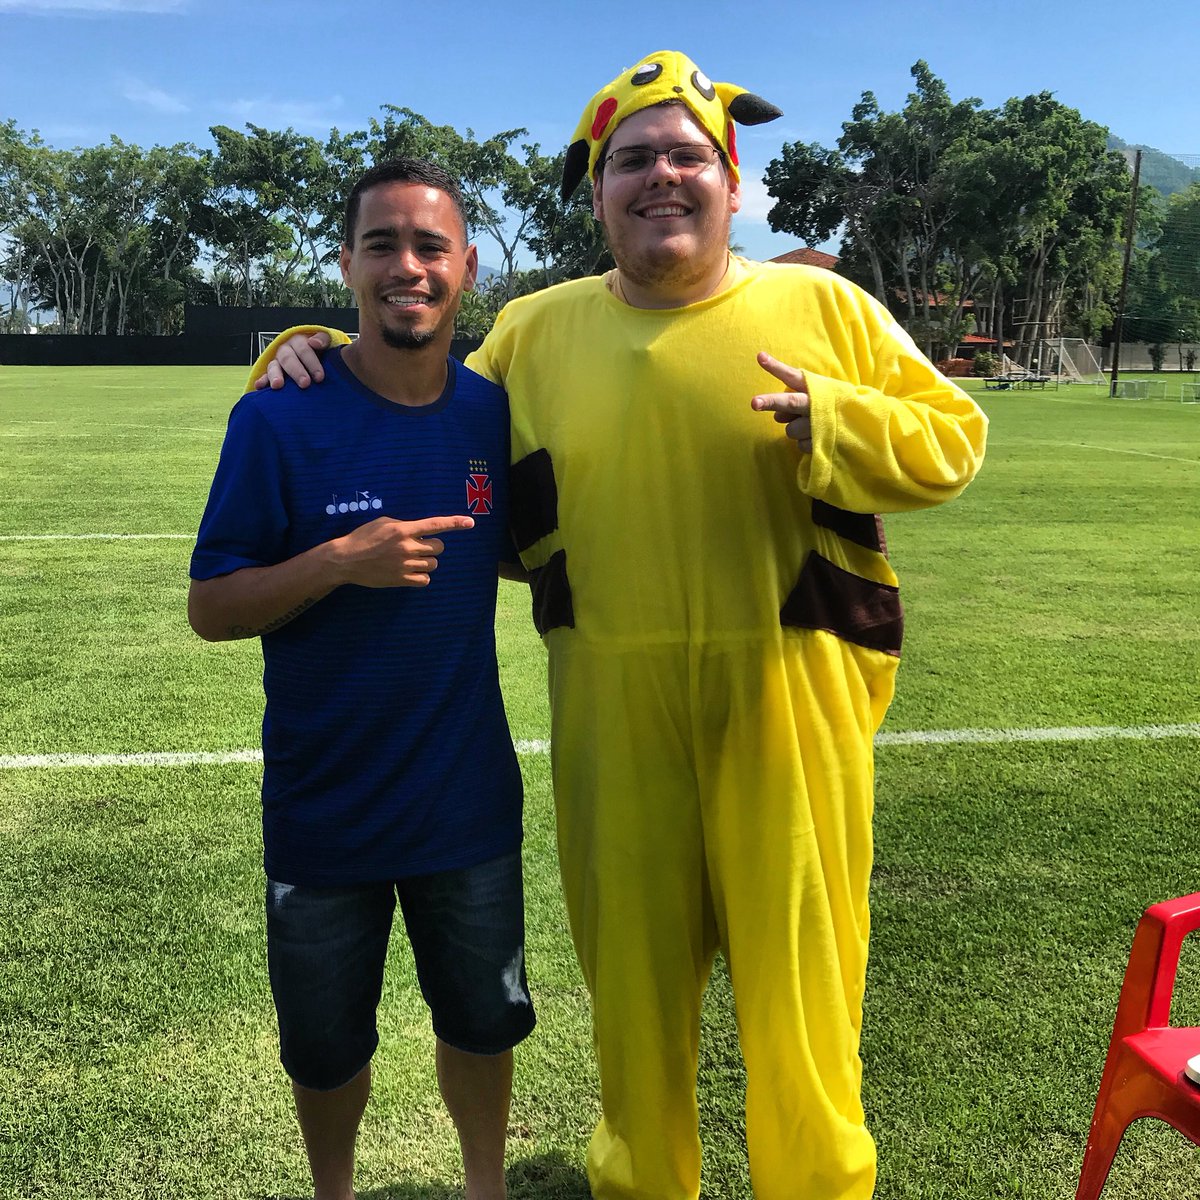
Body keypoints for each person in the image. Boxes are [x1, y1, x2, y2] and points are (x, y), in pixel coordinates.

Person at [254, 50, 988, 1200]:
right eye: (633, 159)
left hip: (792, 705)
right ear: (597, 193)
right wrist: (302, 351)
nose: (662, 176)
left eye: (687, 155)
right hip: (609, 707)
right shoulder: (534, 332)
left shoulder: (825, 308)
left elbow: (954, 440)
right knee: (633, 1003)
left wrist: (839, 419)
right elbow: (412, 401)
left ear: (732, 183)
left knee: (804, 999)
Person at [189, 157, 534, 1200]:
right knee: (326, 1048)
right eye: (381, 244)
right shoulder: (277, 417)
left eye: (431, 246)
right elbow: (212, 607)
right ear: (346, 264)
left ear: (467, 267)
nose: (407, 267)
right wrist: (341, 561)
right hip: (325, 808)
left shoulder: (492, 414)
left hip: (467, 805)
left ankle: (486, 1188)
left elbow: (529, 549)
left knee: (483, 1024)